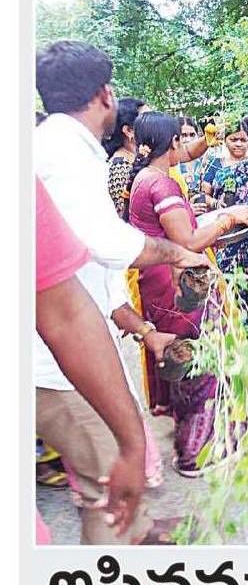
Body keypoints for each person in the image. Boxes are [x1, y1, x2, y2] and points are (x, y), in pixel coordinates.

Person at [35, 39, 212, 543]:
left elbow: (91, 271)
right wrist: (178, 253)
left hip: (72, 346)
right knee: (109, 491)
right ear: (104, 94)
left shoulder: (57, 147)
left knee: (110, 484)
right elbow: (107, 245)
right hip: (61, 365)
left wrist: (145, 332)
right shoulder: (66, 154)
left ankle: (140, 536)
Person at [127, 112, 248, 476]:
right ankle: (195, 453)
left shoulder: (146, 174)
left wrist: (208, 137)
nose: (184, 148)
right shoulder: (164, 186)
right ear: (170, 143)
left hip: (155, 282)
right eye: (180, 141)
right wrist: (229, 218)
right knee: (200, 365)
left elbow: (189, 155)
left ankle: (191, 441)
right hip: (177, 286)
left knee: (183, 361)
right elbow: (187, 242)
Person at [36, 176, 147, 543]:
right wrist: (132, 445)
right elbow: (66, 317)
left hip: (56, 367)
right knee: (111, 502)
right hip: (55, 374)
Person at [201, 115, 248, 333]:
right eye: (234, 139)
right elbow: (201, 195)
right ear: (226, 140)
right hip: (225, 231)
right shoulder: (215, 164)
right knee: (229, 277)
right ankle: (237, 324)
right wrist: (219, 204)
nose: (238, 144)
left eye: (243, 140)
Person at [104, 97, 148, 216]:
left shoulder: (137, 158)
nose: (153, 123)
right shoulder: (120, 167)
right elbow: (124, 216)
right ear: (129, 130)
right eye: (147, 119)